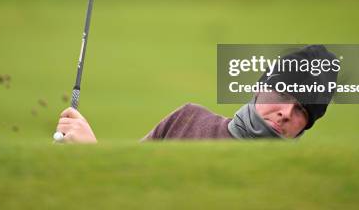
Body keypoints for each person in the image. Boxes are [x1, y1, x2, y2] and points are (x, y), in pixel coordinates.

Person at [55, 45, 338, 143]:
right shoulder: (186, 120)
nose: (286, 113)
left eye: (303, 110)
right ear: (260, 87)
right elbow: (126, 185)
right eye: (283, 95)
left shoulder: (292, 176)